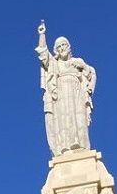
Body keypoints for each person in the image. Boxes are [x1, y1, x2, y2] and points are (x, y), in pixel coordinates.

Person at [36, 21, 97, 156]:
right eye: (58, 47)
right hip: (61, 95)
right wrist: (42, 35)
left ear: (69, 47)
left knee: (79, 119)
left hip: (77, 93)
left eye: (64, 45)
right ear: (56, 50)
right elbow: (43, 54)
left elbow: (91, 74)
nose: (61, 48)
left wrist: (84, 66)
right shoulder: (55, 64)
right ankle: (65, 149)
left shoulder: (77, 62)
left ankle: (81, 147)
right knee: (64, 121)